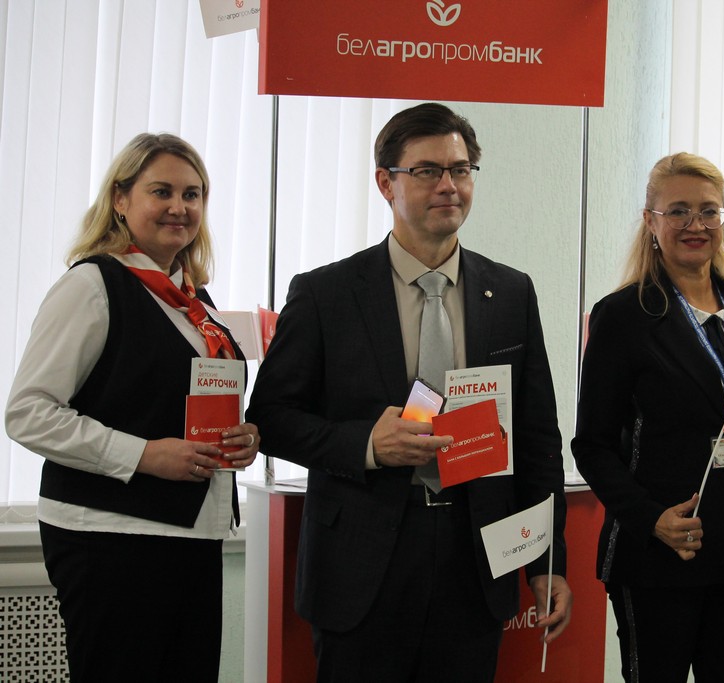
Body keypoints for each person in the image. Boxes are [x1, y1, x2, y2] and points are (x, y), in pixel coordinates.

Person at [245, 102, 572, 682]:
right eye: (427, 171)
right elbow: (270, 417)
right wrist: (367, 445)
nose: (449, 185)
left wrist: (547, 560)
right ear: (385, 183)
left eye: (461, 169)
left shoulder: (511, 293)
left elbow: (538, 438)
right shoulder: (326, 293)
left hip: (476, 562)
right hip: (362, 566)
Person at [5, 133, 260, 682]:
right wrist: (143, 455)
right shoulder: (93, 285)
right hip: (110, 537)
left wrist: (241, 436)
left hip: (193, 533)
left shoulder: (194, 299)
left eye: (192, 194)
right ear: (120, 199)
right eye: (161, 191)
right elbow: (27, 412)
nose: (179, 207)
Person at [572, 152, 724, 682]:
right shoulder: (623, 316)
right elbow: (592, 446)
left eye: (709, 211)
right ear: (651, 221)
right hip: (660, 556)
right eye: (679, 211)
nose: (696, 224)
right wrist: (652, 519)